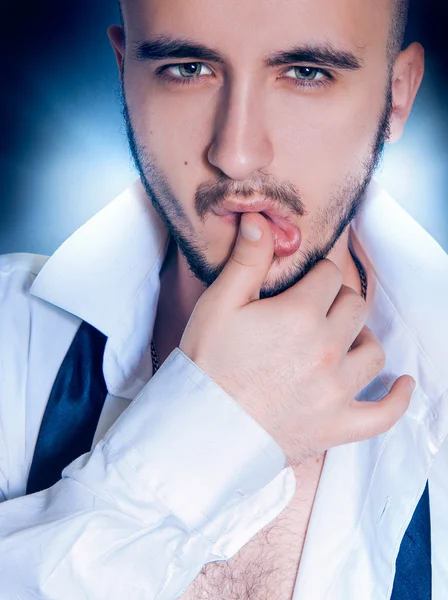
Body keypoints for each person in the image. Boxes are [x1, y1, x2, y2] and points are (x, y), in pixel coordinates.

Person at [0, 0, 446, 598]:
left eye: (307, 73)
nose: (236, 155)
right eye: (187, 68)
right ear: (124, 72)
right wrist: (209, 429)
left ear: (396, 93)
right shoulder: (12, 341)